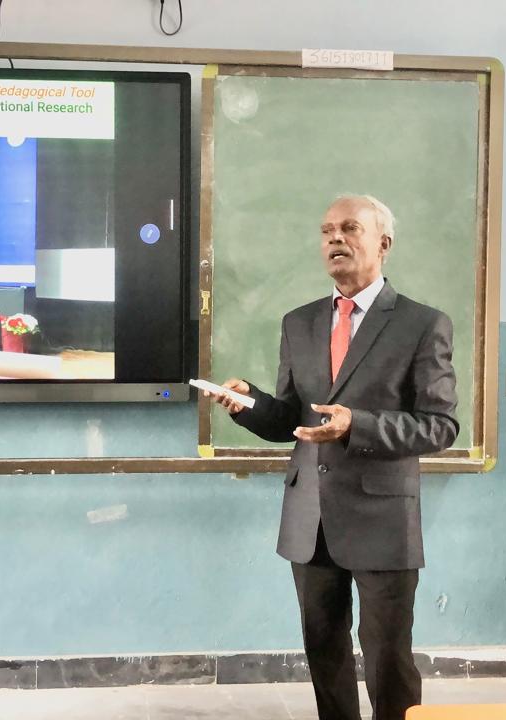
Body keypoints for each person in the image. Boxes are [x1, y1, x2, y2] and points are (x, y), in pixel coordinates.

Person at [202, 194, 458, 720]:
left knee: (388, 659)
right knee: (324, 651)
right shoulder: (299, 322)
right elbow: (290, 421)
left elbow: (440, 426)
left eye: (349, 228)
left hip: (383, 518)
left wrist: (355, 425)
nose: (334, 239)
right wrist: (249, 404)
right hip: (310, 516)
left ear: (383, 243)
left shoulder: (421, 324)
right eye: (326, 231)